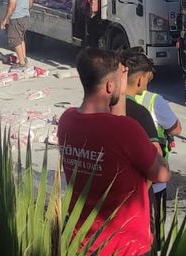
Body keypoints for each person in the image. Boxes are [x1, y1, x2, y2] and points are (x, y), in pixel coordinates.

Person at [58, 48, 169, 256]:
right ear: (110, 86)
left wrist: (118, 78)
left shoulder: (67, 121)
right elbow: (161, 174)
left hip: (81, 243)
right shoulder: (126, 131)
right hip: (127, 247)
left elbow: (111, 130)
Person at [122, 49, 182, 245]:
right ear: (140, 79)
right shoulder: (152, 102)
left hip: (121, 186)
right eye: (148, 79)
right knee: (153, 235)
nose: (148, 84)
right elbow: (176, 127)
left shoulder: (111, 102)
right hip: (151, 186)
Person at [0, 0, 33, 66]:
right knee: (21, 38)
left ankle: (21, 63)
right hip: (25, 16)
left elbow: (12, 6)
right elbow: (31, 0)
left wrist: (5, 19)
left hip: (16, 17)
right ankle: (23, 58)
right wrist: (26, 10)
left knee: (14, 39)